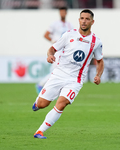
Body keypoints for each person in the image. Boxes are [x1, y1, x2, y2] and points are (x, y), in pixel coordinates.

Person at [32, 9, 104, 139]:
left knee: (62, 103)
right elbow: (52, 49)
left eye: (87, 19)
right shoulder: (68, 35)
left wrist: (98, 75)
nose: (84, 21)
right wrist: (50, 56)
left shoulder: (96, 42)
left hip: (75, 80)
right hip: (59, 74)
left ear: (92, 22)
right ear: (78, 20)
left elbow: (100, 62)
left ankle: (40, 131)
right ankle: (37, 103)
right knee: (42, 104)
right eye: (82, 18)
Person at [36, 7, 74, 93]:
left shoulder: (70, 25)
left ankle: (55, 88)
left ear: (66, 13)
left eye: (63, 12)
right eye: (61, 12)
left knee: (61, 69)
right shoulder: (55, 24)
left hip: (66, 51)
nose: (62, 14)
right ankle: (41, 84)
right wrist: (53, 41)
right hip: (56, 50)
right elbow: (46, 35)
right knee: (57, 70)